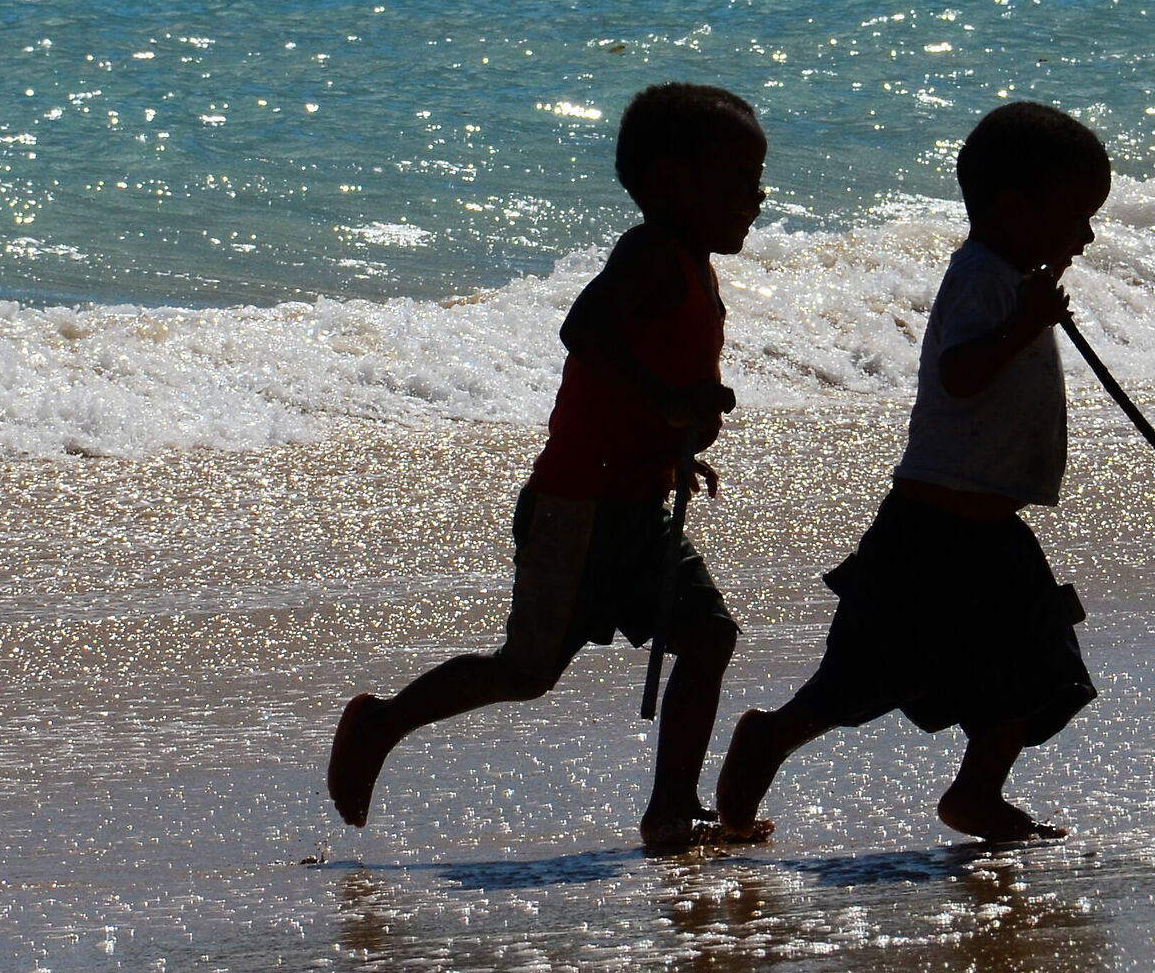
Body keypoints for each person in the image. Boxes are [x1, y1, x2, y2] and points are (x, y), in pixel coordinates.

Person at [326, 83, 770, 856]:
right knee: (525, 672)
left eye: (758, 180)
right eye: (739, 180)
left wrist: (676, 445)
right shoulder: (650, 253)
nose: (756, 198)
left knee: (708, 635)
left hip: (639, 508)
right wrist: (671, 403)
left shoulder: (696, 266)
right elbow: (584, 329)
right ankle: (380, 724)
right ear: (671, 183)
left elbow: (644, 374)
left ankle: (672, 808)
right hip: (576, 510)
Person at [715, 102, 1108, 844]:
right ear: (1013, 209)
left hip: (993, 531)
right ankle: (769, 737)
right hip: (927, 531)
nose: (1085, 237)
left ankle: (976, 794)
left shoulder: (1015, 278)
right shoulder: (981, 277)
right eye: (1076, 217)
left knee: (1038, 664)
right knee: (859, 679)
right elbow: (962, 374)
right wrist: (1024, 324)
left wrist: (1031, 310)